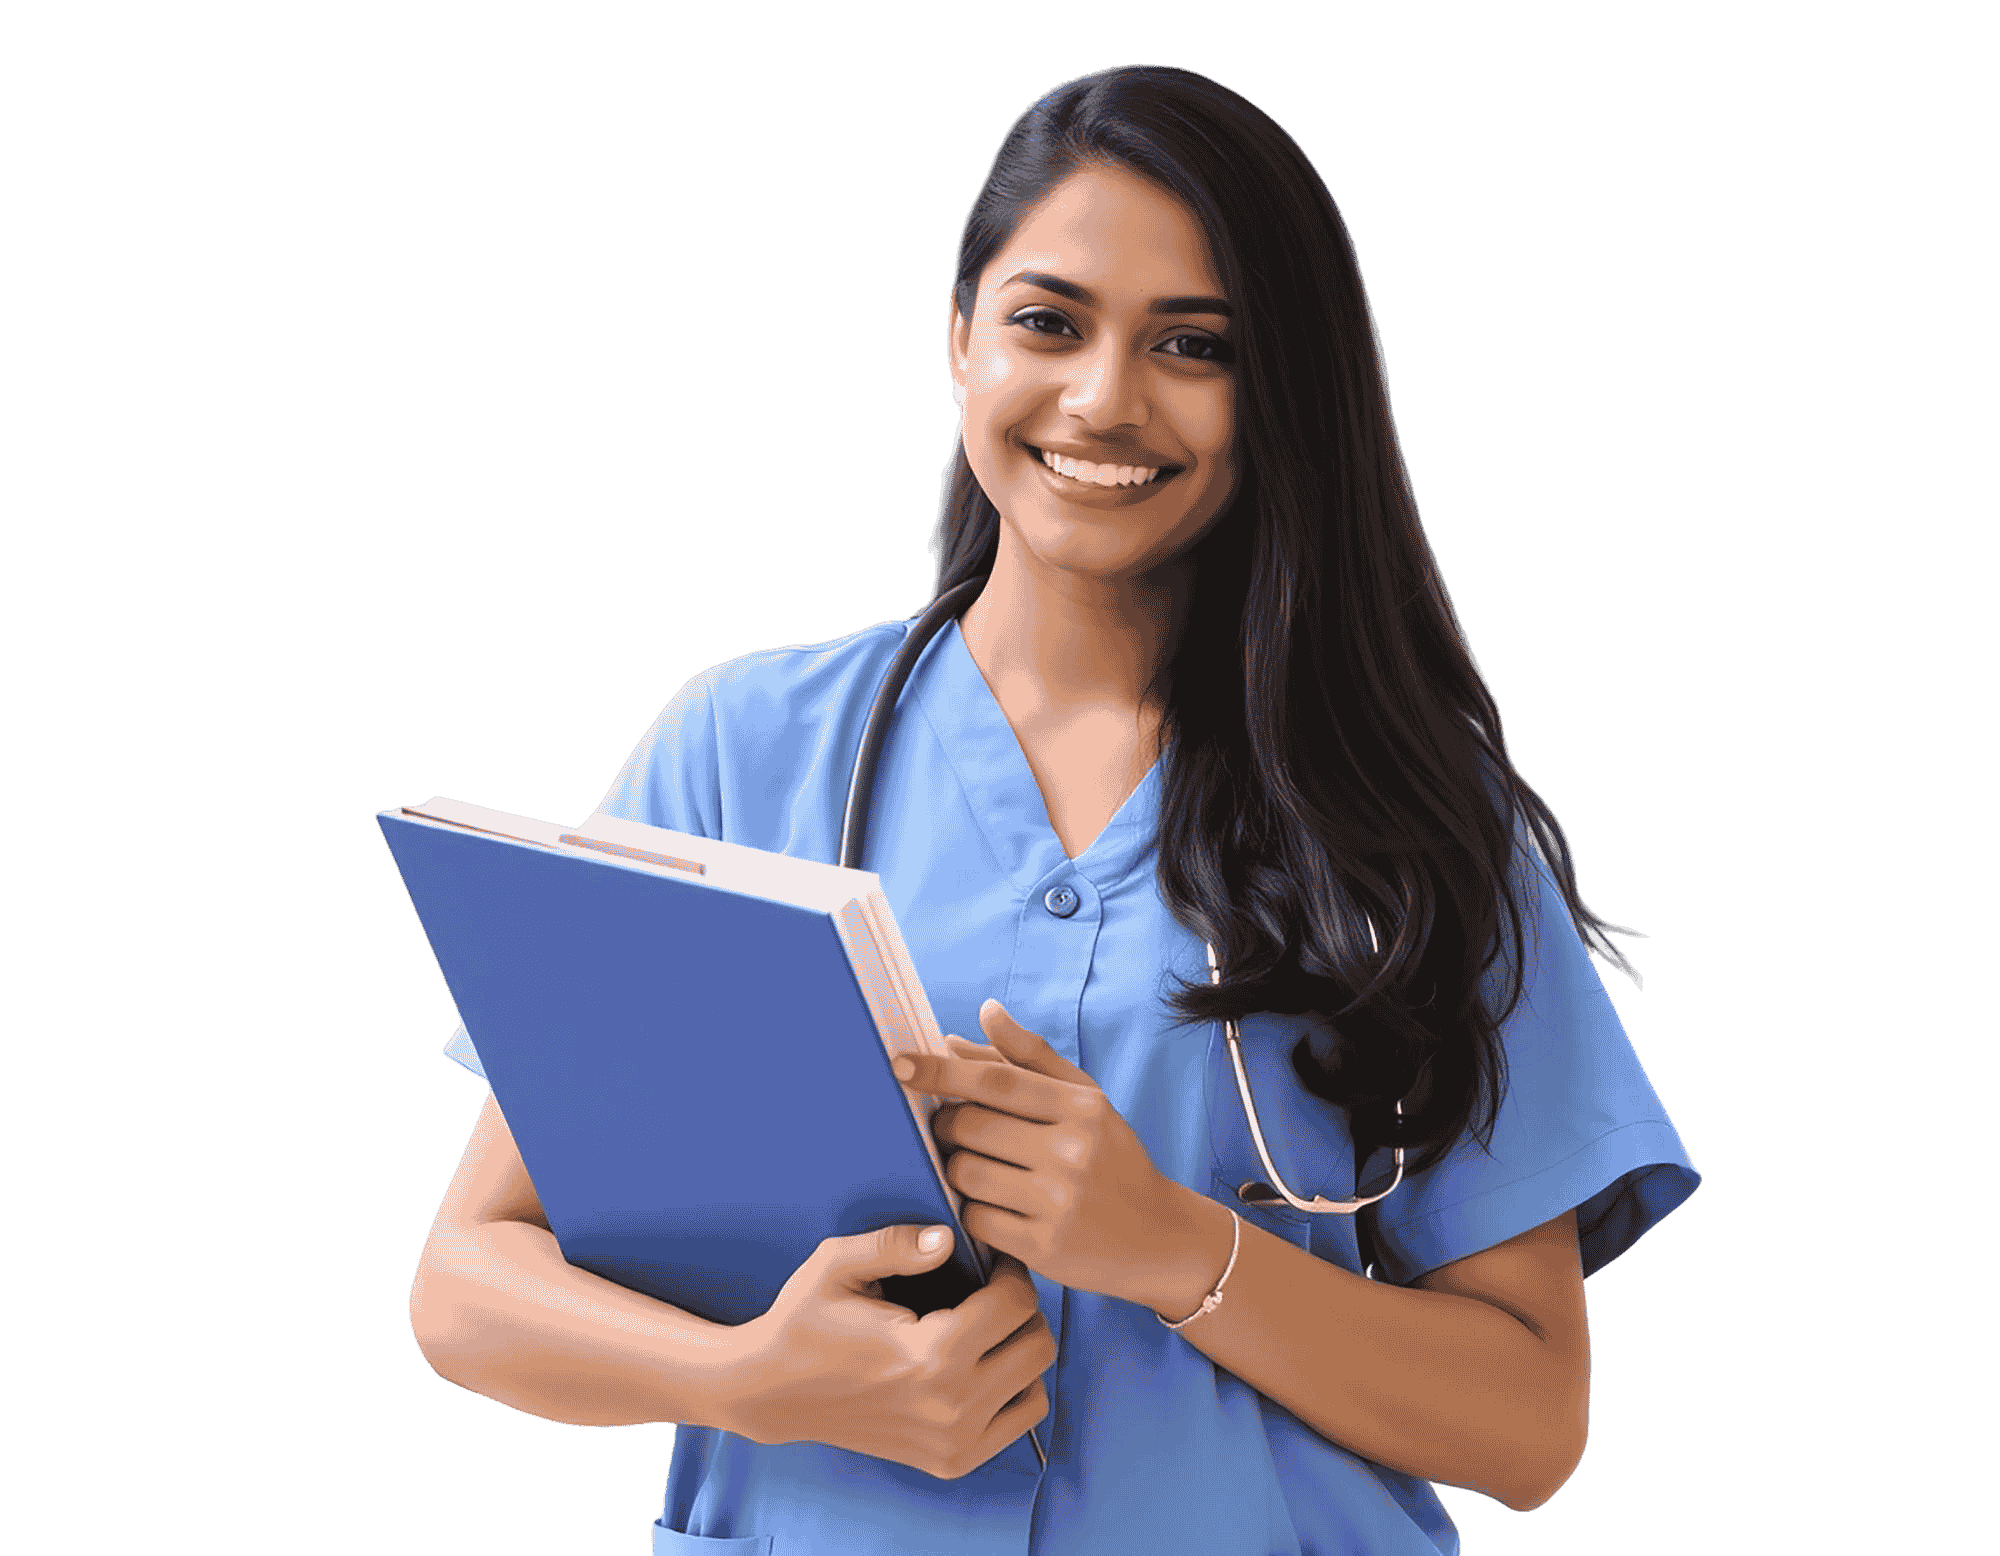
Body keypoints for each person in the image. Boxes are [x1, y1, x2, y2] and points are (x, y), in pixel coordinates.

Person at [409, 64, 1698, 1554]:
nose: (1103, 398)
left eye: (1193, 345)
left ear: (1277, 392)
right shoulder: (741, 751)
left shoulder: (1407, 812)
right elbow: (468, 1285)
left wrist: (1175, 1250)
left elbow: (1529, 1424)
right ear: (958, 339)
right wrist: (760, 1381)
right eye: (1048, 321)